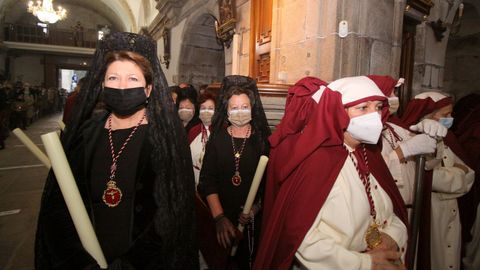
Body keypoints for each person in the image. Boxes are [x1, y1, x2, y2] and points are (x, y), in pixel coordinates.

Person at [35, 32, 198, 270]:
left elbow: (171, 216)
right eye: (113, 78)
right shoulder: (87, 134)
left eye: (133, 79)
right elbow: (58, 206)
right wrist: (79, 262)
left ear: (148, 89)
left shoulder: (166, 141)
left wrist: (127, 266)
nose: (122, 86)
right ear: (102, 85)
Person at [254, 76, 408, 270]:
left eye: (378, 107)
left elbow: (391, 213)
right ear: (338, 112)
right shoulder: (317, 162)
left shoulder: (370, 155)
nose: (374, 116)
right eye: (363, 108)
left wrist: (391, 238)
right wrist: (364, 263)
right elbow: (302, 239)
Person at [198, 75, 270, 269]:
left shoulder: (262, 142)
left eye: (245, 107)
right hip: (220, 216)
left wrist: (254, 209)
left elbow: (269, 185)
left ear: (252, 109)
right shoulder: (217, 139)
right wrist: (219, 218)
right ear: (227, 110)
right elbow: (207, 181)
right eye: (234, 107)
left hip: (252, 222)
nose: (240, 112)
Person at [398, 91, 475, 270]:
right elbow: (423, 177)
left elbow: (470, 174)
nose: (450, 118)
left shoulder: (448, 138)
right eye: (445, 115)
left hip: (451, 213)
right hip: (430, 212)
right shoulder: (411, 138)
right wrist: (456, 175)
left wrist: (450, 177)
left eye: (451, 114)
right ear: (427, 117)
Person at [367, 75, 446, 209]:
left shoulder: (396, 128)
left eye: (395, 93)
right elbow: (371, 174)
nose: (394, 97)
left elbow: (428, 164)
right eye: (390, 92)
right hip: (387, 209)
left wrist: (434, 138)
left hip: (410, 208)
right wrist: (401, 152)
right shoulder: (364, 134)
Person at [188, 91, 216, 187]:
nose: (207, 111)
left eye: (210, 108)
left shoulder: (222, 131)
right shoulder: (193, 131)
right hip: (194, 178)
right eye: (203, 108)